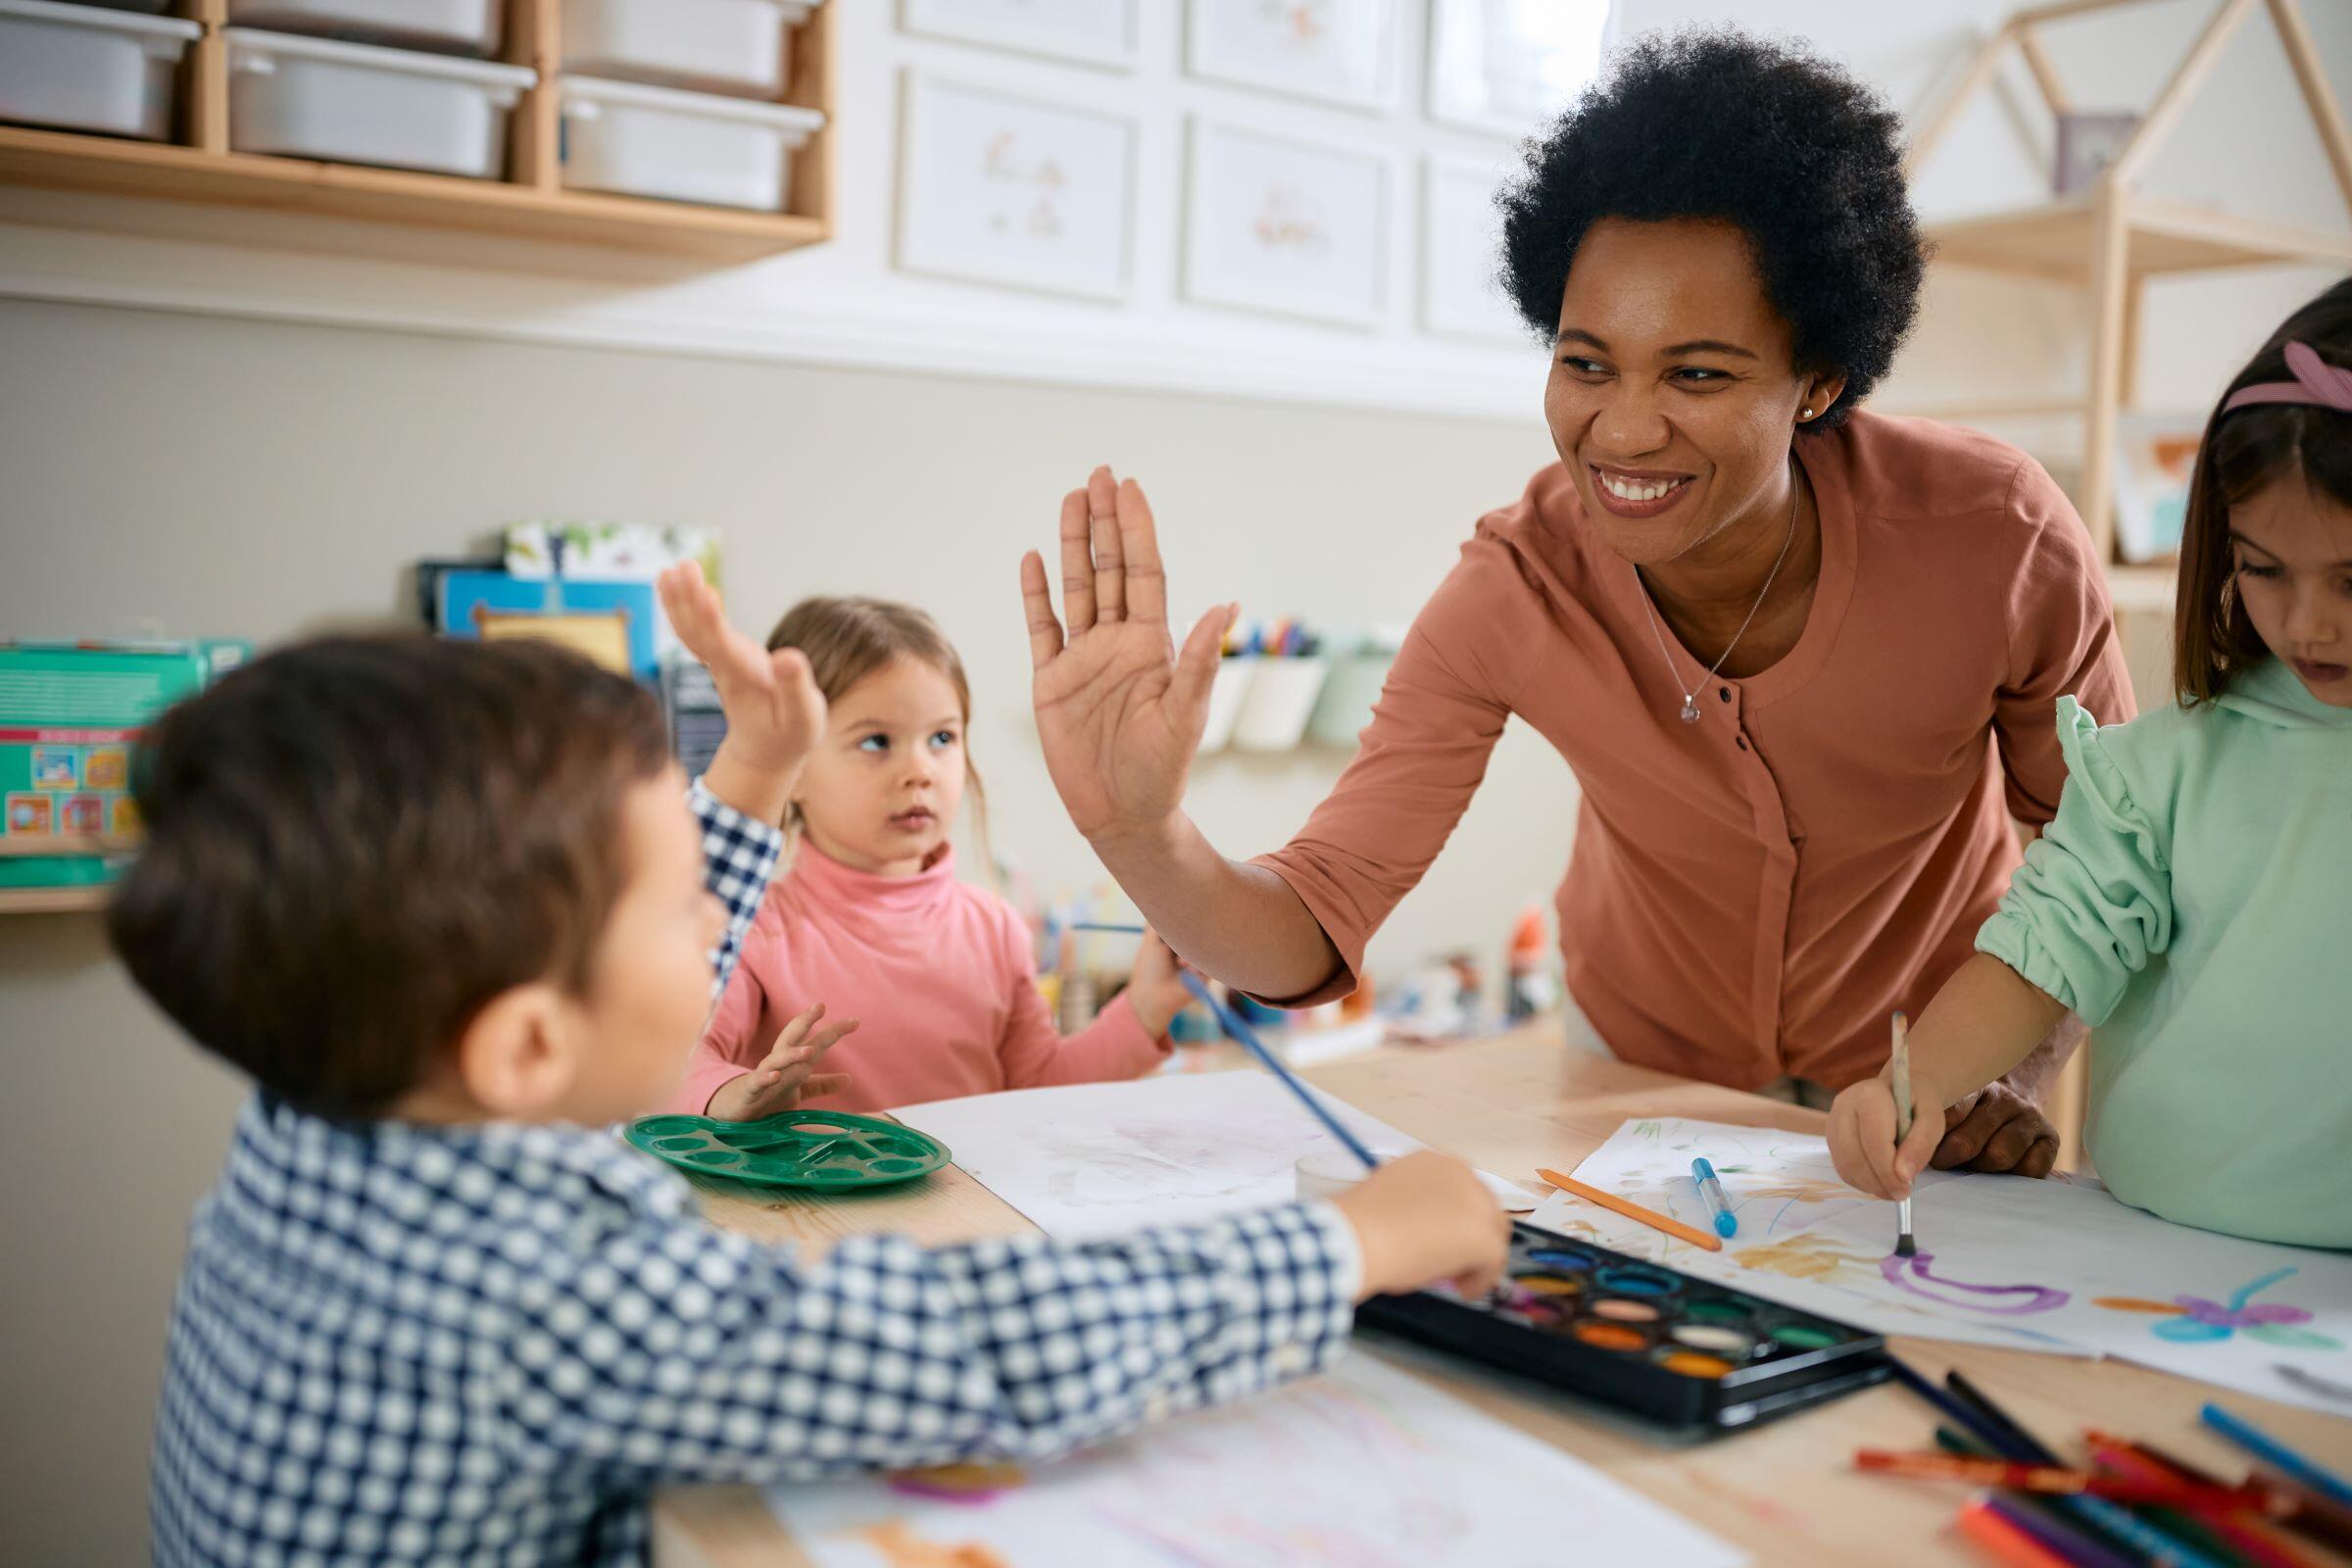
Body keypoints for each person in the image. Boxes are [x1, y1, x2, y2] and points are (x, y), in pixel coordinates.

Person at [122, 564, 1510, 1565]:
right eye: (683, 904)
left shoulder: (332, 1118)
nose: (721, 915)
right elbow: (968, 1349)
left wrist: (740, 782)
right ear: (528, 1046)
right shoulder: (536, 1300)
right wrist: (1336, 1244)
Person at [1018, 29, 2134, 1172]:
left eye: (1697, 373)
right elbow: (1307, 926)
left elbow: (2109, 857)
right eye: (1587, 362)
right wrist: (1140, 831)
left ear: (1820, 379)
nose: (1625, 427)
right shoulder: (1518, 585)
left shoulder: (1996, 539)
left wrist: (1995, 1070)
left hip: (1929, 1067)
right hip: (1640, 1067)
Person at [1827, 281, 2352, 1248]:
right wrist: (1917, 1085)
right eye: (2264, 569)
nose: (2308, 623)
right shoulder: (2162, 770)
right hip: (2146, 1249)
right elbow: (2041, 953)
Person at [675, 594, 1188, 1117]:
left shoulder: (996, 928)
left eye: (942, 737)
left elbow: (1038, 1089)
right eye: (876, 742)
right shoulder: (751, 928)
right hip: (819, 1203)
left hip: (975, 1201)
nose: (921, 770)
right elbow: (681, 1061)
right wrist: (736, 1093)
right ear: (794, 768)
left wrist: (1145, 1008)